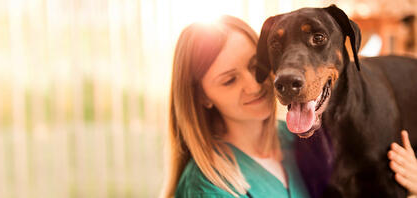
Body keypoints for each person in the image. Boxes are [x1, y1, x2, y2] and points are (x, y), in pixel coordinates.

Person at [160, 15, 417, 198]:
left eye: (255, 66)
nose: (255, 84)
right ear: (202, 96)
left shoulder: (298, 137)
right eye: (229, 80)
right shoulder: (207, 189)